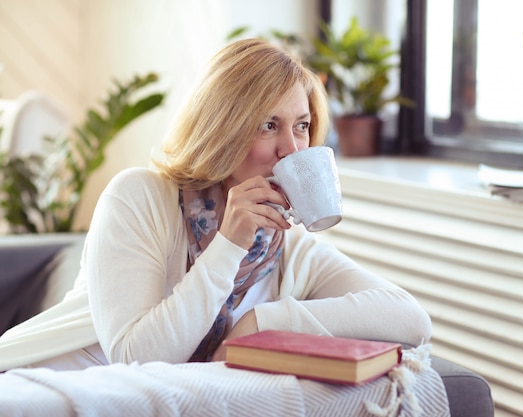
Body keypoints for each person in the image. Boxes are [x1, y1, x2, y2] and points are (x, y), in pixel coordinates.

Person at [0, 38, 431, 371]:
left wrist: (263, 323)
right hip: (44, 387)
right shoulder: (138, 197)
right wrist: (228, 243)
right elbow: (136, 360)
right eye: (268, 125)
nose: (291, 148)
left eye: (301, 126)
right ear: (222, 129)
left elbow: (410, 319)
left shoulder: (286, 249)